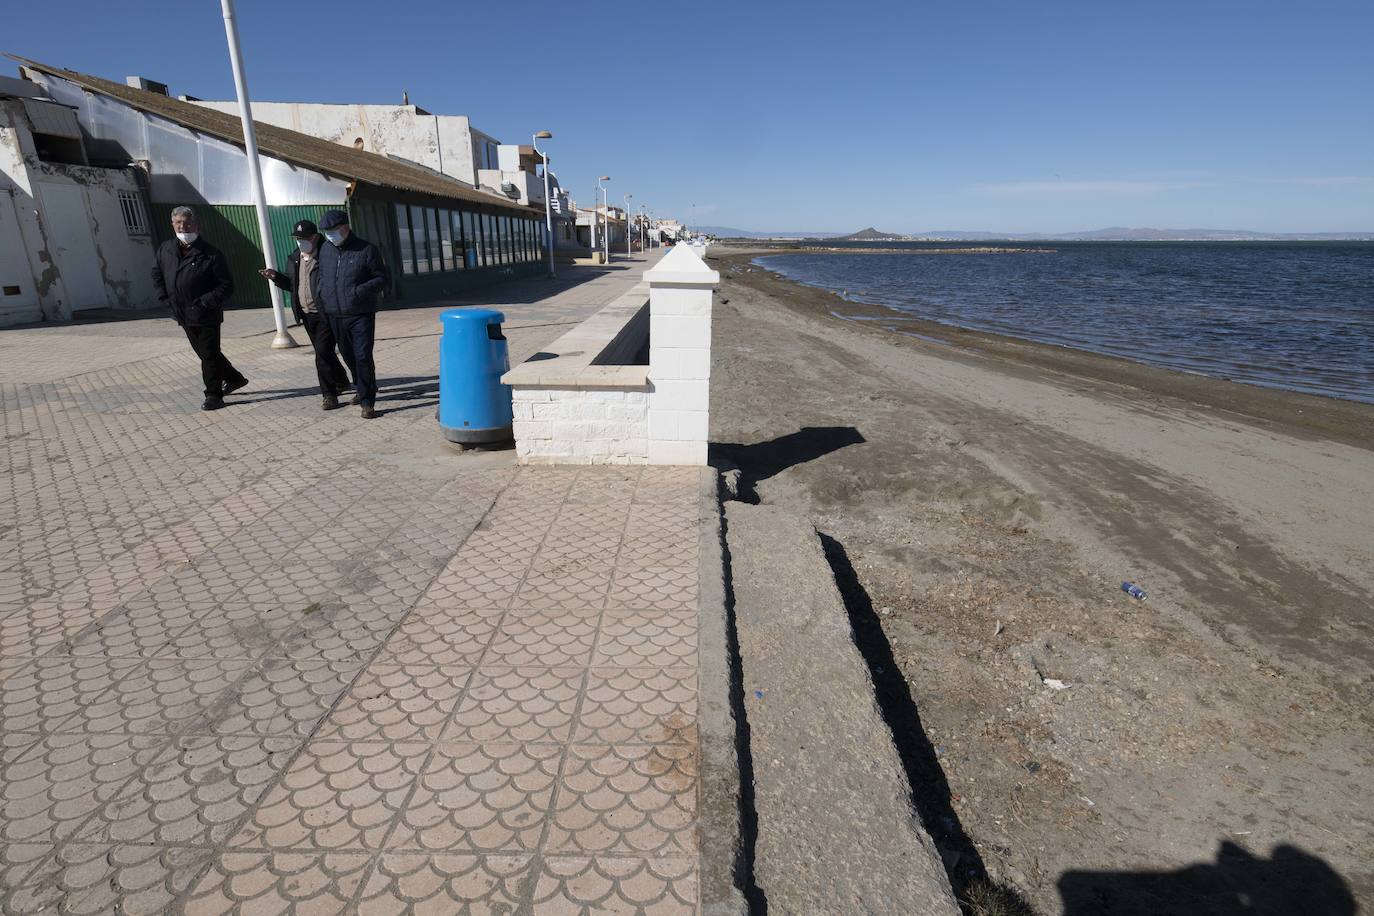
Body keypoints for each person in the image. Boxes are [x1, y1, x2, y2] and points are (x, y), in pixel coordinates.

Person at [152, 206, 248, 410]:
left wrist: (206, 301)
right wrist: (165, 299)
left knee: (209, 355)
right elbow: (157, 274)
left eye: (187, 223)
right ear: (172, 225)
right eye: (178, 222)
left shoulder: (210, 254)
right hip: (182, 313)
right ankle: (234, 378)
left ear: (197, 225)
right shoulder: (166, 249)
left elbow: (226, 285)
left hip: (206, 314)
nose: (183, 227)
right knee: (206, 353)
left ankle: (214, 395)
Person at [259, 220, 353, 410]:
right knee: (325, 353)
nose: (300, 242)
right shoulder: (295, 258)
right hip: (307, 315)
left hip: (326, 314)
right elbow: (292, 285)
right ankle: (342, 380)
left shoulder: (326, 255)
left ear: (315, 237)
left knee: (321, 354)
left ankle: (329, 395)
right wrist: (276, 277)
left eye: (304, 238)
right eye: (297, 238)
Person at [317, 209, 388, 419]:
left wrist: (357, 292)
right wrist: (323, 297)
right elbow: (322, 277)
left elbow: (382, 278)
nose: (329, 235)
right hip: (335, 314)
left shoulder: (366, 249)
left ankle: (367, 403)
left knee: (362, 356)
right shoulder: (326, 250)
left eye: (332, 230)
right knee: (348, 355)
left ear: (345, 228)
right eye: (326, 231)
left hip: (360, 314)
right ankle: (361, 386)